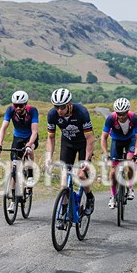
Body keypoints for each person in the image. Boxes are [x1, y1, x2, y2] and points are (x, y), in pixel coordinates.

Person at [44, 87, 95, 216]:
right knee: (64, 182)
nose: (59, 110)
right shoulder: (52, 115)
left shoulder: (81, 112)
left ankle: (89, 197)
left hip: (83, 144)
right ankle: (64, 211)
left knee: (81, 175)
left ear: (69, 104)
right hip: (67, 144)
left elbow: (90, 138)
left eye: (62, 107)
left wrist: (87, 160)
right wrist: (48, 157)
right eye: (56, 107)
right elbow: (51, 138)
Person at [0, 90, 39, 213]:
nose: (18, 108)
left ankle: (30, 175)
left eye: (21, 105)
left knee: (30, 151)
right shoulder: (10, 110)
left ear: (26, 104)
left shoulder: (32, 110)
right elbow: (3, 128)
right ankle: (13, 200)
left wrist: (29, 144)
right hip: (18, 138)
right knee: (14, 167)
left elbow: (35, 131)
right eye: (16, 105)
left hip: (31, 137)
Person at [101, 97, 137, 206]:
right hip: (116, 141)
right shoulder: (110, 118)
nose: (121, 116)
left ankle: (130, 188)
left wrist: (136, 154)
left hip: (130, 140)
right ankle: (113, 196)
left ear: (127, 112)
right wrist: (105, 154)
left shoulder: (134, 118)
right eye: (119, 114)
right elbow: (103, 137)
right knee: (113, 170)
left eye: (123, 114)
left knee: (130, 163)